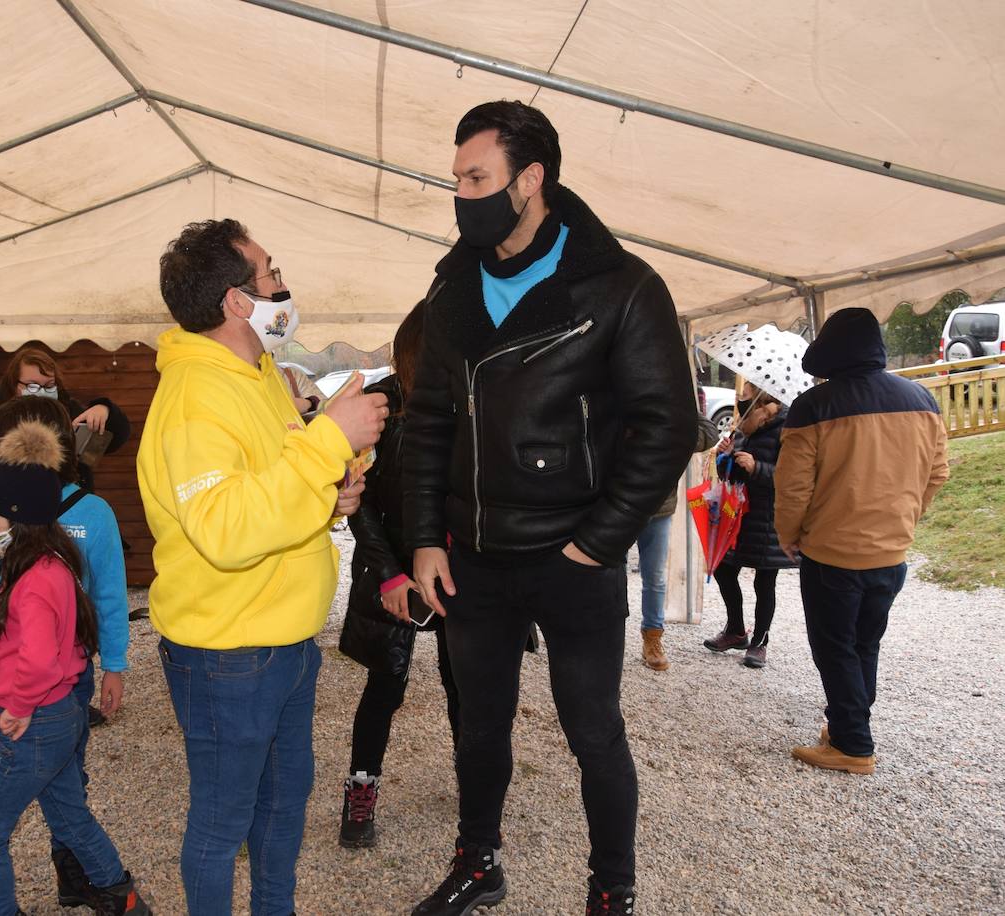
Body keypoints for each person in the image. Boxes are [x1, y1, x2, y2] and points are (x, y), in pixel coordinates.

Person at [403, 101, 696, 916]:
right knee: (478, 727)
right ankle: (478, 862)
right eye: (457, 178)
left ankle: (612, 887)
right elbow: (426, 423)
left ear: (530, 181)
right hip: (474, 560)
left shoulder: (619, 284)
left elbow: (669, 425)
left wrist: (598, 544)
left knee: (593, 730)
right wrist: (426, 538)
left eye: (476, 177)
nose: (460, 193)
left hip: (573, 558)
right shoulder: (453, 285)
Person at [140, 218, 388, 915]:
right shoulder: (195, 397)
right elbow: (223, 530)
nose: (284, 284)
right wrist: (326, 443)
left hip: (283, 641)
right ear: (237, 302)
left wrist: (328, 495)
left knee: (282, 815)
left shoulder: (258, 378)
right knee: (222, 826)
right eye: (270, 272)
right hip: (227, 652)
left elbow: (267, 488)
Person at [0, 394, 132, 908]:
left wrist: (115, 665)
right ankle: (114, 888)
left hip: (59, 678)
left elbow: (112, 596)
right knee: (23, 780)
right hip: (8, 675)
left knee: (54, 789)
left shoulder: (91, 513)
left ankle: (75, 877)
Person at [775, 307, 949, 775]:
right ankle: (846, 725)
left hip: (831, 552)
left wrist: (788, 535)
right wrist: (905, 517)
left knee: (834, 648)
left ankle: (853, 744)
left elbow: (793, 487)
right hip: (892, 552)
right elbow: (937, 474)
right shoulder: (922, 399)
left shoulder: (815, 406)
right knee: (865, 644)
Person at [337, 301, 460, 849]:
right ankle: (361, 792)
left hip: (461, 573)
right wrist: (388, 575)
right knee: (385, 686)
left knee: (470, 689)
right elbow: (356, 502)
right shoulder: (379, 406)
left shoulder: (477, 397)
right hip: (394, 571)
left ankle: (476, 789)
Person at [702, 383, 795, 668]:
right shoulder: (744, 428)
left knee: (764, 581)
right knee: (723, 569)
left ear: (762, 405)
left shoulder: (786, 430)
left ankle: (760, 643)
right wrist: (725, 456)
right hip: (738, 514)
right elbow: (727, 474)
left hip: (768, 517)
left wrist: (758, 468)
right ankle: (736, 630)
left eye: (747, 395)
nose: (741, 399)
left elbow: (792, 476)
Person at [0, 347, 131, 491]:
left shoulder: (69, 412)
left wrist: (105, 410)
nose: (41, 391)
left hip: (71, 508)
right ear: (14, 386)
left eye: (48, 386)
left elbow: (116, 439)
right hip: (19, 514)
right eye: (32, 385)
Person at [635, 410, 720, 670]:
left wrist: (684, 410)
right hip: (618, 504)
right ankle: (602, 636)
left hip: (660, 506)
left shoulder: (670, 396)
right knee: (607, 573)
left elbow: (708, 434)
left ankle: (652, 637)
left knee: (655, 576)